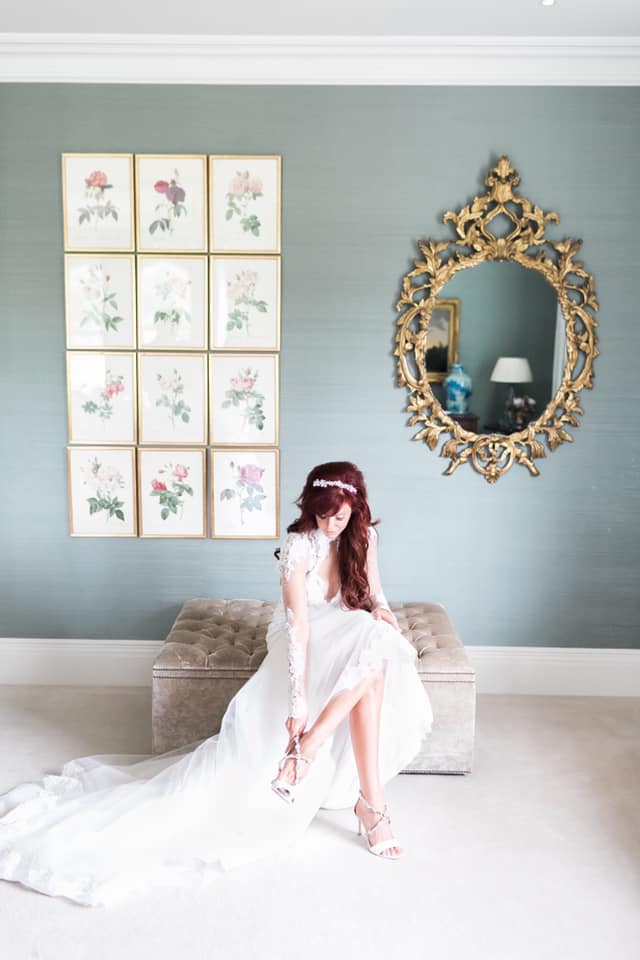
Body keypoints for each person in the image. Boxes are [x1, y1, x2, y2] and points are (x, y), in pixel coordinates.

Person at [0, 461, 432, 906]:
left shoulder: (364, 538)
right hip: (300, 639)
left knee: (377, 645)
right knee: (373, 660)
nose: (328, 526)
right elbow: (298, 628)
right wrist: (298, 703)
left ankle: (315, 752)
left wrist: (383, 611)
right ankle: (369, 805)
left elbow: (376, 595)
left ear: (355, 511)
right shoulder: (298, 547)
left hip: (346, 629)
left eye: (338, 518)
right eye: (321, 516)